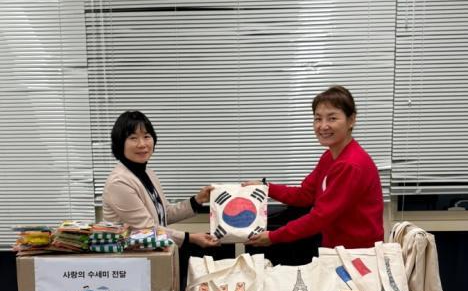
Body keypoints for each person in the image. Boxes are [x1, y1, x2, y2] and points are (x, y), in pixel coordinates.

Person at [245, 85, 384, 251]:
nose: (323, 126)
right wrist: (265, 188)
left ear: (351, 120)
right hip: (335, 248)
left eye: (332, 118)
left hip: (356, 254)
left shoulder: (350, 164)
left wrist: (273, 237)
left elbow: (320, 217)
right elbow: (305, 195)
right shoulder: (330, 157)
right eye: (318, 119)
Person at [103, 110, 218, 249]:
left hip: (157, 249)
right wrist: (190, 238)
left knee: (221, 244)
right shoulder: (119, 183)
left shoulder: (147, 173)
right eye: (133, 138)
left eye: (146, 136)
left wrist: (197, 200)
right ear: (120, 143)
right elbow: (147, 228)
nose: (142, 144)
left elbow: (164, 214)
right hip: (133, 256)